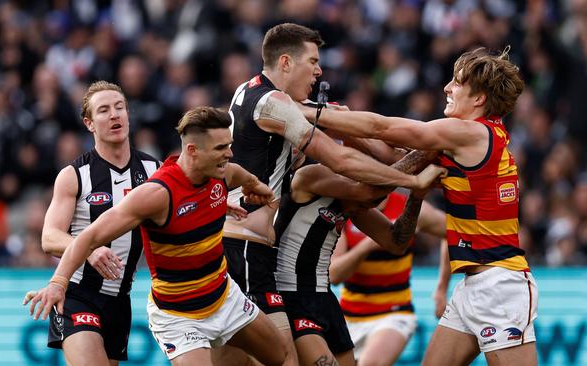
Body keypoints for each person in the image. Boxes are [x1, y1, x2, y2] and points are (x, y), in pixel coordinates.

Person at [300, 46, 539, 366]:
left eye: (456, 82)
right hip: (473, 286)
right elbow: (395, 160)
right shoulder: (472, 139)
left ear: (479, 98)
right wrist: (340, 123)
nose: (447, 88)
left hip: (500, 285)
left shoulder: (470, 131)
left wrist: (308, 113)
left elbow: (385, 128)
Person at [220, 22, 442, 365]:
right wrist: (419, 170)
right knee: (280, 360)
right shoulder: (309, 171)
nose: (319, 69)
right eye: (313, 61)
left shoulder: (255, 94)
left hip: (309, 289)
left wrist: (419, 171)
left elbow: (394, 236)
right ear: (285, 63)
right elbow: (347, 162)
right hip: (255, 258)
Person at [27, 106, 290, 366]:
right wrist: (58, 283)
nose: (229, 154)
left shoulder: (222, 172)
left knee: (284, 357)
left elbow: (241, 176)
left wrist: (256, 187)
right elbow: (89, 237)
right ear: (192, 150)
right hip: (179, 317)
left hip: (225, 298)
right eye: (221, 148)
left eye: (229, 145)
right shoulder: (156, 194)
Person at [23, 80, 160, 366]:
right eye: (104, 110)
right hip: (77, 295)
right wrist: (89, 248)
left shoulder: (153, 170)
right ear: (89, 124)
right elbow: (49, 238)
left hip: (120, 300)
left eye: (120, 107)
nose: (114, 115)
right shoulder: (75, 174)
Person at [272, 160, 438, 366]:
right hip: (291, 295)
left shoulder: (353, 205)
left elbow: (396, 244)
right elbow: (366, 191)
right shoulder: (312, 176)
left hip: (329, 301)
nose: (374, 203)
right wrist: (422, 162)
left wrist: (417, 195)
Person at [330, 191, 449, 366]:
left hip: (394, 313)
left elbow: (452, 231)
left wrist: (441, 288)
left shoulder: (410, 209)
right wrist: (368, 245)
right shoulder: (347, 210)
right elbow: (334, 275)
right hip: (348, 317)